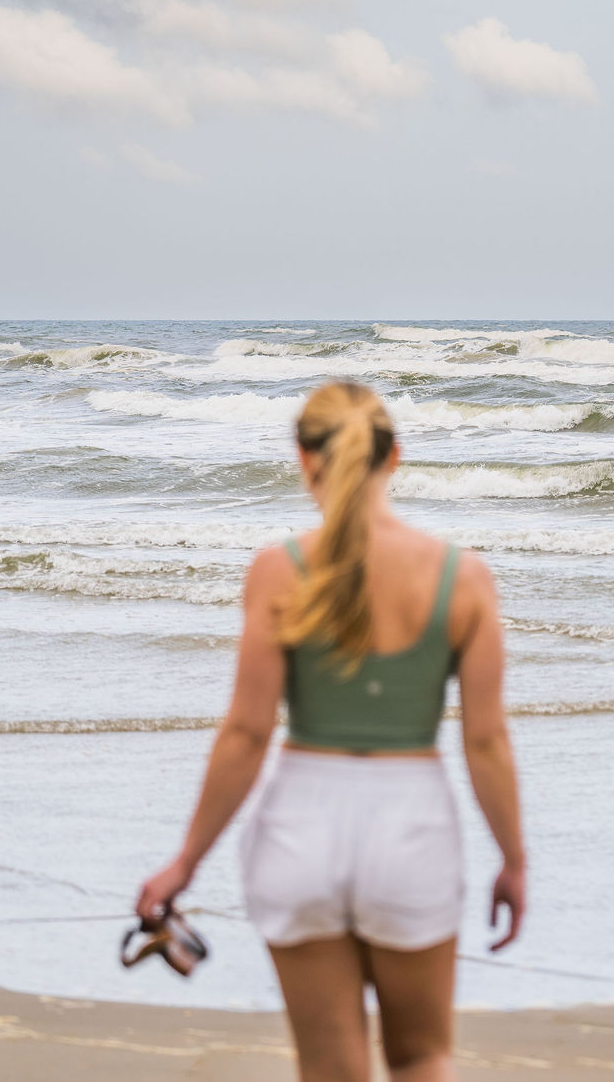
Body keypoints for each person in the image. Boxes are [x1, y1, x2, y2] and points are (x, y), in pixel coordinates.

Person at [137, 380, 525, 1082]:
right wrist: (514, 858)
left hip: (301, 827)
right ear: (395, 456)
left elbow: (246, 734)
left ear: (303, 460)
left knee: (331, 1069)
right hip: (410, 826)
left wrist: (184, 862)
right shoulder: (462, 578)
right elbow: (486, 740)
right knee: (420, 1057)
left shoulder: (277, 570)